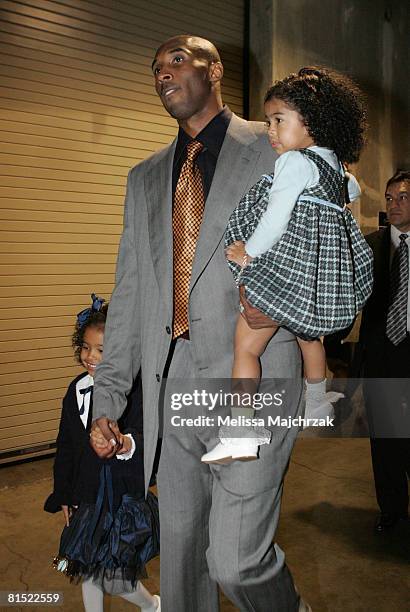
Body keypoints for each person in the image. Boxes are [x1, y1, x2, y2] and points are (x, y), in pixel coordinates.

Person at [91, 35, 310, 611]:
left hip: (254, 375)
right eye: (155, 66)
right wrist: (109, 397)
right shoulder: (144, 178)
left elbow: (324, 257)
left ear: (215, 71)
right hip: (173, 382)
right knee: (183, 559)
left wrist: (287, 304)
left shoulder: (274, 149)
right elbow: (131, 292)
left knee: (236, 562)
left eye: (178, 60)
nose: (163, 72)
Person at [201, 66, 373, 464]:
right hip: (313, 279)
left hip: (281, 271)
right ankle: (316, 400)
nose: (272, 131)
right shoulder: (337, 170)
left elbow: (275, 219)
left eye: (279, 120)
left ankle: (241, 430)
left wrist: (249, 254)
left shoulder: (294, 163)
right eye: (269, 121)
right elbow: (352, 193)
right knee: (307, 334)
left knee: (245, 348)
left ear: (313, 120)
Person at [44, 294, 160, 612]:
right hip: (86, 498)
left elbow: (145, 437)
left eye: (102, 350)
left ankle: (152, 606)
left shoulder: (134, 392)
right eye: (85, 346)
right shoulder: (75, 390)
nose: (90, 356)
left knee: (113, 576)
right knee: (86, 568)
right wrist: (64, 493)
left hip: (119, 499)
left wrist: (124, 443)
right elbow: (66, 447)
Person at [353, 170, 410, 533]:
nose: (393, 205)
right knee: (387, 440)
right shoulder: (368, 247)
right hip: (383, 356)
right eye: (389, 199)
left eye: (402, 197)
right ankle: (391, 510)